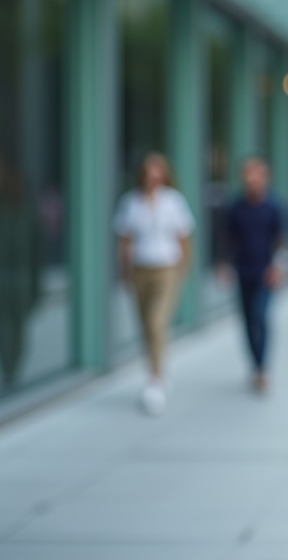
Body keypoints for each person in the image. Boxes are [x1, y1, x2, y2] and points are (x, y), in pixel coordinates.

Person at [113, 153, 195, 415]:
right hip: (140, 270)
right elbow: (125, 240)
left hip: (166, 269)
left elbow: (183, 237)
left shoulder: (173, 201)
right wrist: (123, 272)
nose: (152, 178)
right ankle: (156, 370)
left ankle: (155, 381)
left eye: (157, 172)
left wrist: (183, 269)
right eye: (148, 173)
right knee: (145, 327)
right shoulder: (131, 202)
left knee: (156, 322)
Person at [226, 157, 286, 393]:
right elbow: (228, 238)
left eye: (256, 174)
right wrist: (223, 264)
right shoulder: (236, 207)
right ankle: (254, 364)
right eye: (247, 174)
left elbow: (282, 240)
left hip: (265, 273)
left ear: (265, 177)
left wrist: (279, 267)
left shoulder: (273, 207)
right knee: (247, 320)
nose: (251, 179)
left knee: (260, 316)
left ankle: (262, 367)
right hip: (243, 271)